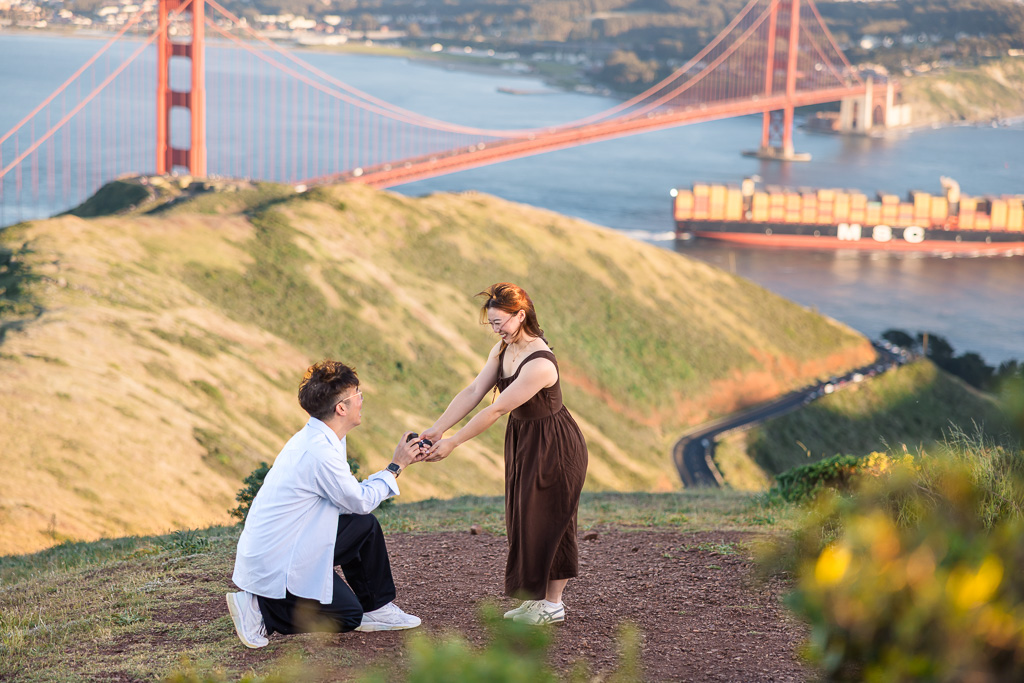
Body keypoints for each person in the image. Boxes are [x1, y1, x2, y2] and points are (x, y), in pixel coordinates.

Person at [420, 283, 588, 626]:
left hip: (556, 447)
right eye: (492, 323)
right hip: (525, 441)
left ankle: (553, 604)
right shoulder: (502, 349)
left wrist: (454, 442)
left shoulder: (541, 363)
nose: (496, 329)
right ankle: (535, 600)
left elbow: (496, 409)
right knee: (524, 519)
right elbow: (474, 391)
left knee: (552, 520)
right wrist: (438, 428)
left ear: (520, 315)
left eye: (500, 322)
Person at [227, 360, 424, 649]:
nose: (362, 400)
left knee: (364, 526)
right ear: (341, 408)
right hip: (278, 560)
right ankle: (261, 609)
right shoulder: (320, 451)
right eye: (358, 394)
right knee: (347, 616)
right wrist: (396, 466)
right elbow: (359, 500)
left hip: (290, 541)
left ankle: (376, 607)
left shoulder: (323, 436)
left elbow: (349, 503)